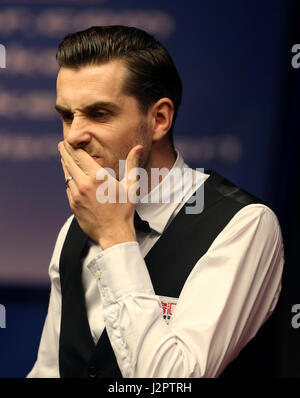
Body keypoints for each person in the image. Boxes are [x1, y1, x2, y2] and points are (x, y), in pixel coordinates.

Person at [27, 25, 284, 378]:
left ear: (159, 119)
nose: (73, 136)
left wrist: (116, 238)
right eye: (67, 116)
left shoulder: (244, 224)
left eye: (99, 114)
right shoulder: (75, 228)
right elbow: (50, 371)